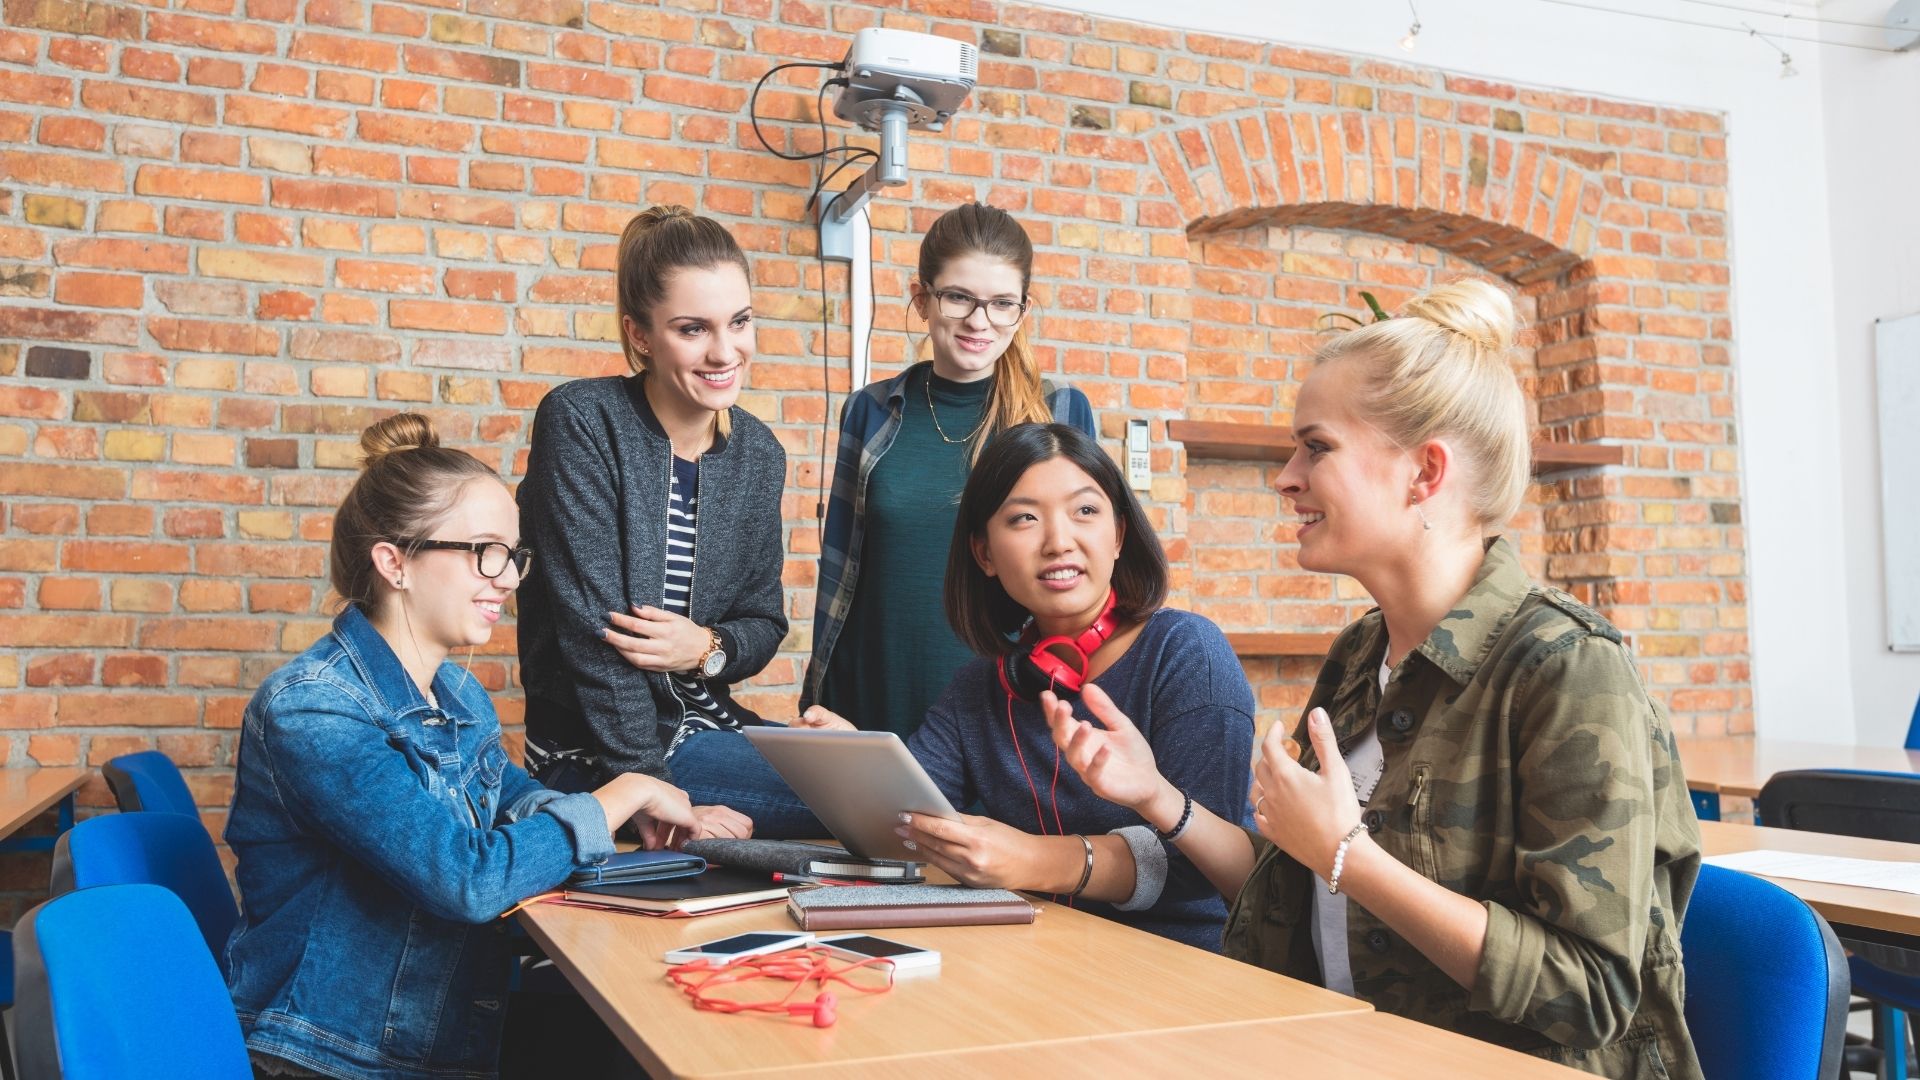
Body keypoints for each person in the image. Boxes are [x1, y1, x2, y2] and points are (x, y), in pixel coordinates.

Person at [1042, 281, 1702, 1077]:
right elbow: (1301, 888)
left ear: (1424, 473)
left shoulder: (1568, 669)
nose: (1286, 477)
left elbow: (1588, 995)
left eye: (1315, 448)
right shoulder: (1360, 655)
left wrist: (1351, 856)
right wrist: (1155, 796)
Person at [225, 414, 699, 1079]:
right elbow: (467, 878)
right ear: (395, 563)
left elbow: (513, 800)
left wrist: (619, 816)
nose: (507, 578)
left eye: (512, 554)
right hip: (333, 1057)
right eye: (484, 551)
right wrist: (623, 792)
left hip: (439, 1033)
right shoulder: (314, 708)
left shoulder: (456, 694)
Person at [799, 423, 1254, 950]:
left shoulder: (1185, 651)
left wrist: (1035, 860)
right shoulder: (980, 686)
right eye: (1024, 518)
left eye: (1086, 511)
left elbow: (1215, 869)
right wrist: (856, 766)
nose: (1059, 541)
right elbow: (912, 821)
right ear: (985, 554)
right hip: (1044, 950)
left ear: (1119, 536)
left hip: (1181, 961)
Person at [516, 205, 819, 839]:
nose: (724, 351)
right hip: (598, 755)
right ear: (640, 334)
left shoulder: (758, 454)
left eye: (739, 322)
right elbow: (595, 641)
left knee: (890, 776)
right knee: (878, 809)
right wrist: (647, 790)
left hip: (710, 724)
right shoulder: (583, 423)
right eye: (692, 329)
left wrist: (706, 648)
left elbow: (762, 624)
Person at [803, 203, 1097, 740]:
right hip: (874, 692)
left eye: (1001, 303)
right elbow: (841, 568)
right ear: (922, 299)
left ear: (1022, 310)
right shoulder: (870, 411)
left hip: (1006, 699)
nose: (978, 321)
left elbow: (1093, 575)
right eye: (958, 297)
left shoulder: (1059, 411)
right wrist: (817, 695)